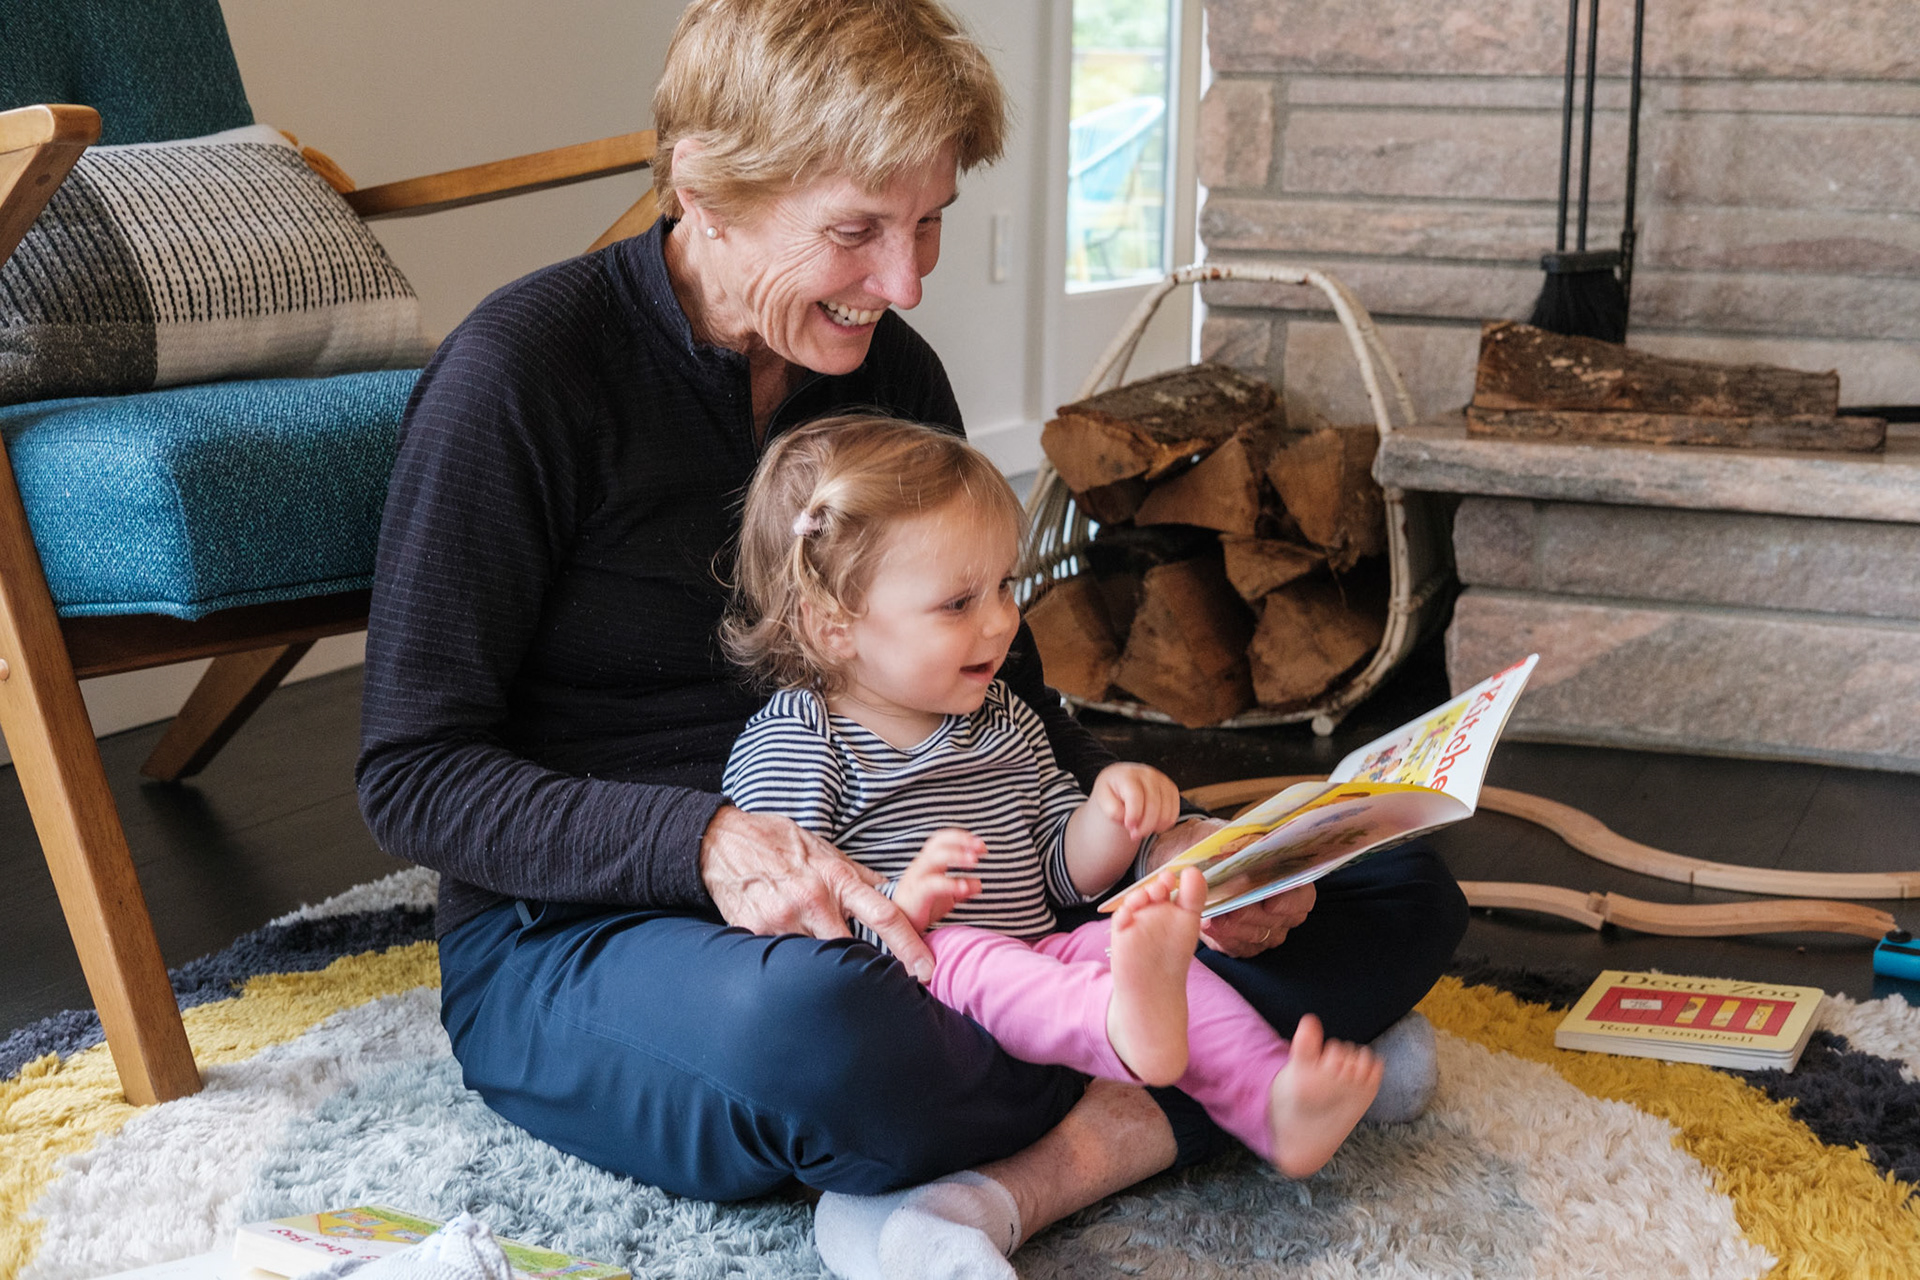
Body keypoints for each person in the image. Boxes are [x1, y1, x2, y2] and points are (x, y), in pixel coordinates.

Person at [355, 1, 1470, 1277]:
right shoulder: (520, 374)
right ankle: (1226, 1075)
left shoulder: (889, 375)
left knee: (1392, 886)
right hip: (602, 927)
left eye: (929, 220)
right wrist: (709, 841)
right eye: (856, 232)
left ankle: (1008, 1171)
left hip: (951, 912)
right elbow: (413, 774)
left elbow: (1003, 697)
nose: (904, 283)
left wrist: (1169, 851)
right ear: (704, 190)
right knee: (831, 1041)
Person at [719, 415, 1386, 1181]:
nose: (1003, 621)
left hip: (1039, 953)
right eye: (958, 603)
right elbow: (786, 921)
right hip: (919, 976)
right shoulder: (799, 741)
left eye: (1005, 586)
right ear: (833, 626)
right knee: (980, 958)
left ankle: (1273, 1100)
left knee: (1134, 949)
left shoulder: (1002, 716)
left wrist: (1110, 815)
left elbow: (1060, 871)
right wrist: (903, 904)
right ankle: (1122, 1028)